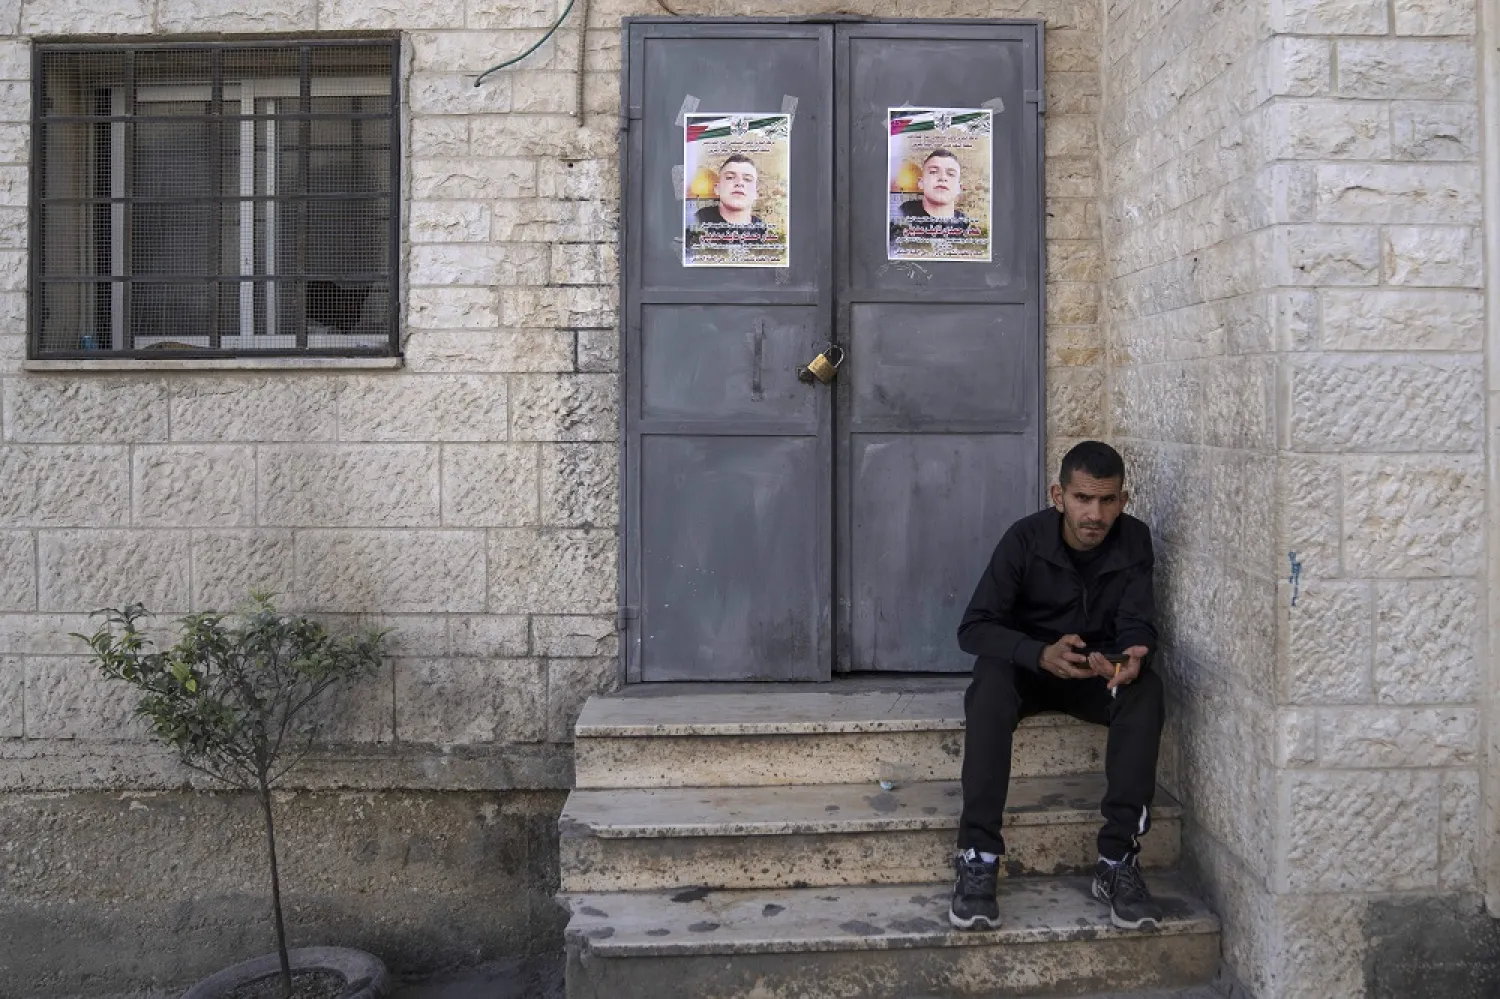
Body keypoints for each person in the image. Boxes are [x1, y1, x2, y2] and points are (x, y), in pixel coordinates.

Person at [948, 440, 1165, 933]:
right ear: (1057, 495)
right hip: (1029, 671)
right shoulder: (1024, 540)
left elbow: (1138, 621)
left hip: (1094, 677)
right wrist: (1037, 653)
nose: (1095, 514)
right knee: (989, 682)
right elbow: (974, 627)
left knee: (1146, 690)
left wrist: (1130, 655)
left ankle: (1116, 864)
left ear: (1123, 501)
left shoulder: (1135, 540)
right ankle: (978, 855)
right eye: (1083, 499)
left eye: (1107, 501)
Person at [899, 148, 968, 222]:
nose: (942, 178)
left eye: (951, 174)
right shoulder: (901, 216)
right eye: (933, 172)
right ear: (921, 183)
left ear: (959, 188)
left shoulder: (965, 225)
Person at [694, 154, 763, 227]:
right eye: (730, 177)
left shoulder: (764, 231)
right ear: (717, 189)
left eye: (747, 179)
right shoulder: (697, 221)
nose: (739, 183)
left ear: (756, 193)